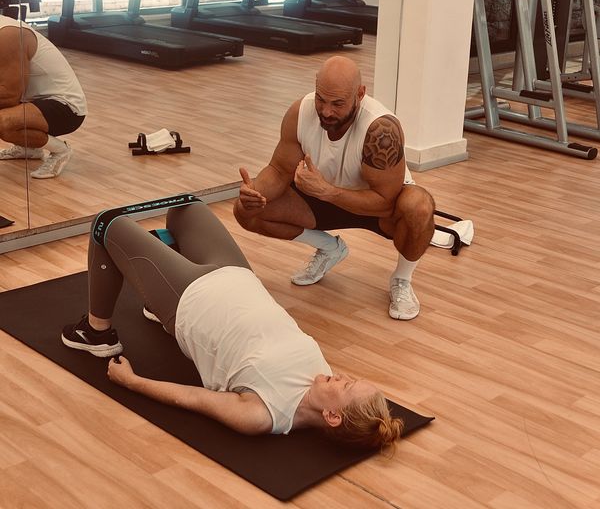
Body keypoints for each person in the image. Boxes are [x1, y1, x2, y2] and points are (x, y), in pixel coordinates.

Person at [61, 201, 403, 449]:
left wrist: (132, 382)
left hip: (189, 299)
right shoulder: (321, 376)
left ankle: (96, 333)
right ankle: (153, 296)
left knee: (106, 223)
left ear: (332, 416)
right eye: (351, 378)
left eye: (346, 386)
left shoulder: (262, 415)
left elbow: (194, 399)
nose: (341, 376)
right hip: (236, 273)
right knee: (185, 207)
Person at [234, 55, 435, 321]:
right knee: (244, 211)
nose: (327, 111)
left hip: (375, 207)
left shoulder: (381, 130)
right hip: (322, 197)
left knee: (419, 207)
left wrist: (327, 191)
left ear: (360, 94)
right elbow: (280, 170)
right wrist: (254, 193)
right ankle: (330, 248)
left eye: (338, 103)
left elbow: (386, 201)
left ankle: (402, 279)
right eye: (321, 99)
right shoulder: (300, 112)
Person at [0, 15, 87, 178]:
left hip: (66, 108)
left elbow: (10, 95)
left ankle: (61, 150)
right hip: (31, 101)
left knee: (3, 123)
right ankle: (29, 148)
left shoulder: (7, 35)